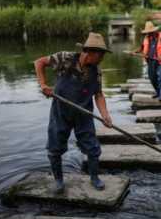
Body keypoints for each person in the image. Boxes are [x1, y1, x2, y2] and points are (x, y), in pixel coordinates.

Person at [34, 33, 112, 194]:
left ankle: (94, 177)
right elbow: (39, 62)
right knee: (54, 148)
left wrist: (105, 115)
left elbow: (98, 94)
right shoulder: (65, 58)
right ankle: (59, 181)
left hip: (83, 113)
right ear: (90, 52)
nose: (102, 58)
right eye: (101, 54)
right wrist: (43, 85)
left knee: (92, 148)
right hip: (61, 111)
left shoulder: (96, 71)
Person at [135, 21, 161, 103]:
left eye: (150, 32)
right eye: (148, 32)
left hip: (160, 61)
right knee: (152, 78)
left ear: (154, 31)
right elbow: (142, 48)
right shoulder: (146, 38)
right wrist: (135, 52)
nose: (149, 34)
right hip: (150, 61)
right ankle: (158, 92)